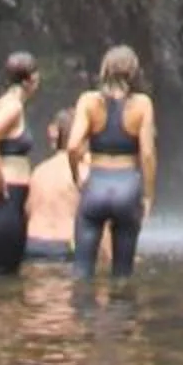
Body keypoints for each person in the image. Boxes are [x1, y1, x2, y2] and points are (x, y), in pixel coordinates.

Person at [67, 43, 157, 281]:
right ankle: (122, 302)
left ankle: (81, 304)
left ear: (104, 69)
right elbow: (148, 154)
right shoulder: (142, 104)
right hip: (127, 185)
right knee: (123, 276)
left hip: (96, 183)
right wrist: (148, 195)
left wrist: (77, 176)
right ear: (134, 71)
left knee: (81, 273)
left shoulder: (88, 101)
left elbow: (73, 146)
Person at [0, 50, 40, 274]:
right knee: (1, 278)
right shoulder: (13, 106)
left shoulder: (5, 102)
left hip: (7, 202)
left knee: (0, 278)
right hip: (5, 199)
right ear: (30, 79)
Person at [27, 110, 78, 261]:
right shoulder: (83, 171)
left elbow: (27, 210)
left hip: (32, 242)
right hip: (64, 243)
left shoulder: (39, 171)